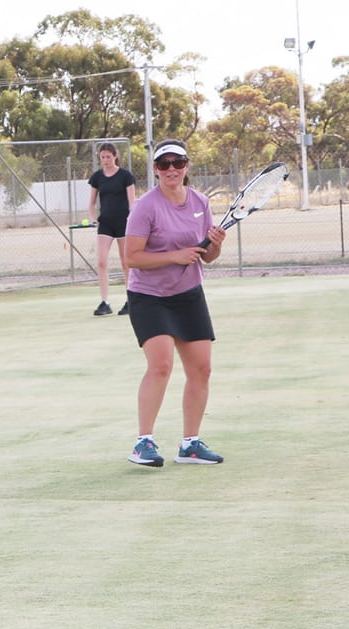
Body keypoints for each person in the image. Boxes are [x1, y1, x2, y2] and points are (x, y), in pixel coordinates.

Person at [123, 139, 226, 468]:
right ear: (155, 169)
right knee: (161, 365)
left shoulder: (200, 202)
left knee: (201, 369)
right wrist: (175, 256)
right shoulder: (145, 207)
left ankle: (190, 444)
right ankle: (143, 443)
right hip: (149, 297)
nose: (171, 169)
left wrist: (216, 245)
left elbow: (206, 256)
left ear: (186, 166)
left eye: (177, 163)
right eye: (164, 164)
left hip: (188, 295)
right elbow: (132, 257)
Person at [87, 142, 136, 316]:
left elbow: (132, 202)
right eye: (102, 157)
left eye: (108, 156)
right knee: (101, 261)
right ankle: (105, 302)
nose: (105, 160)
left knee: (126, 262)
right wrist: (93, 219)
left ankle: (131, 300)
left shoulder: (125, 176)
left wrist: (132, 219)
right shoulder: (97, 177)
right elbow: (92, 204)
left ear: (115, 156)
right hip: (105, 224)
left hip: (124, 223)